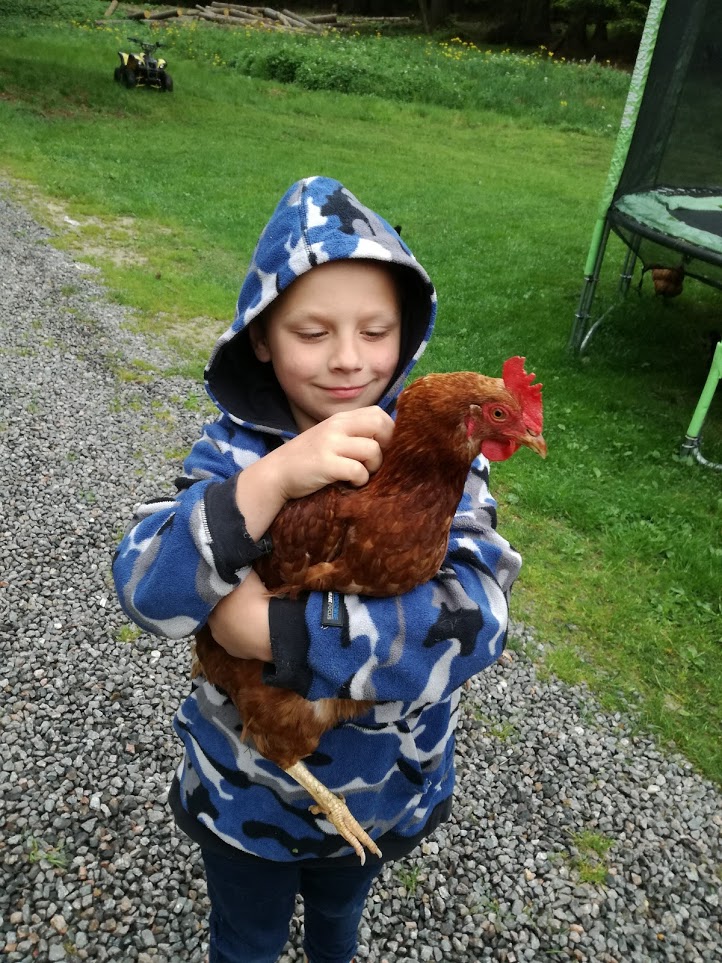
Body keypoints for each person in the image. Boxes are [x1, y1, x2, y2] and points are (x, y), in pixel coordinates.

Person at [112, 175, 522, 963]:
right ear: (262, 337)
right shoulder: (231, 457)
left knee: (340, 925)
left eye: (376, 330)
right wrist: (268, 481)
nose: (347, 358)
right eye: (312, 331)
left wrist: (282, 632)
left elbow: (479, 620)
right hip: (246, 797)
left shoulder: (444, 463)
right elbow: (144, 587)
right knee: (248, 940)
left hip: (382, 792)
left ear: (407, 333)